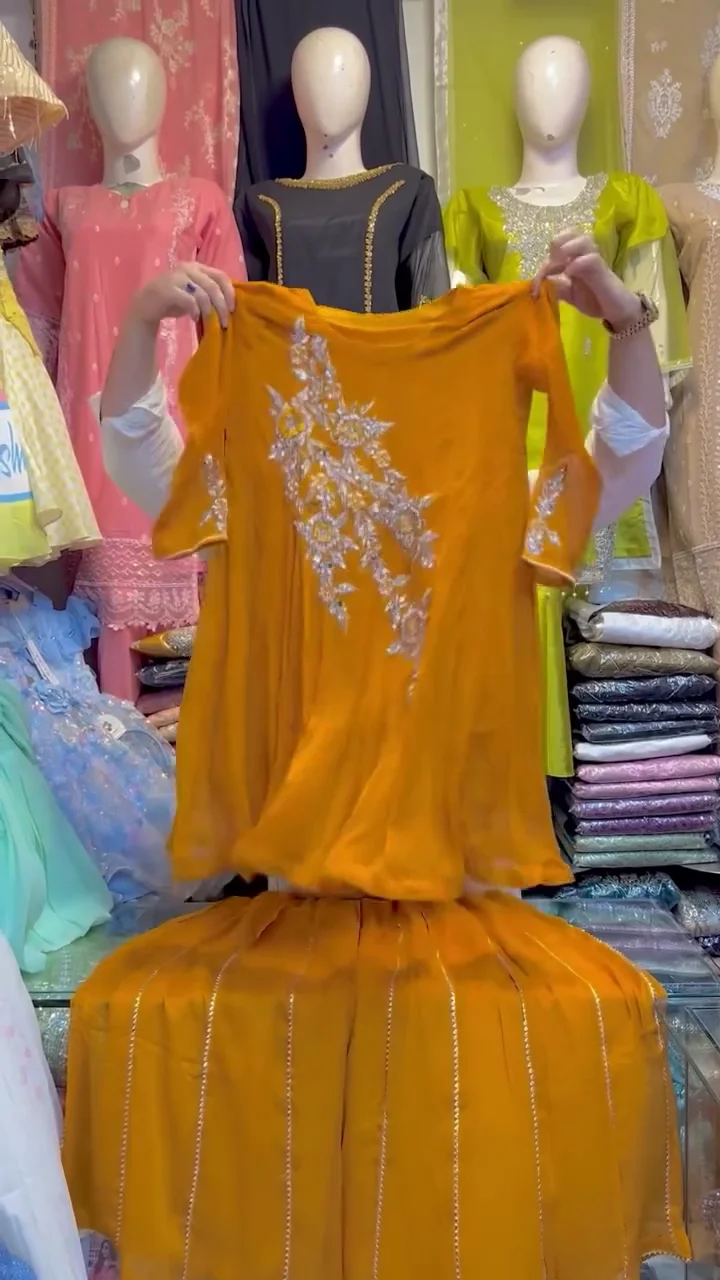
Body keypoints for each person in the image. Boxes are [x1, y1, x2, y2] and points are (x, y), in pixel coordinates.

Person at [96, 230, 668, 530]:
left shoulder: (474, 512)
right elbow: (136, 450)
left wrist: (627, 320)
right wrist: (143, 317)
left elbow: (622, 466)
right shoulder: (269, 515)